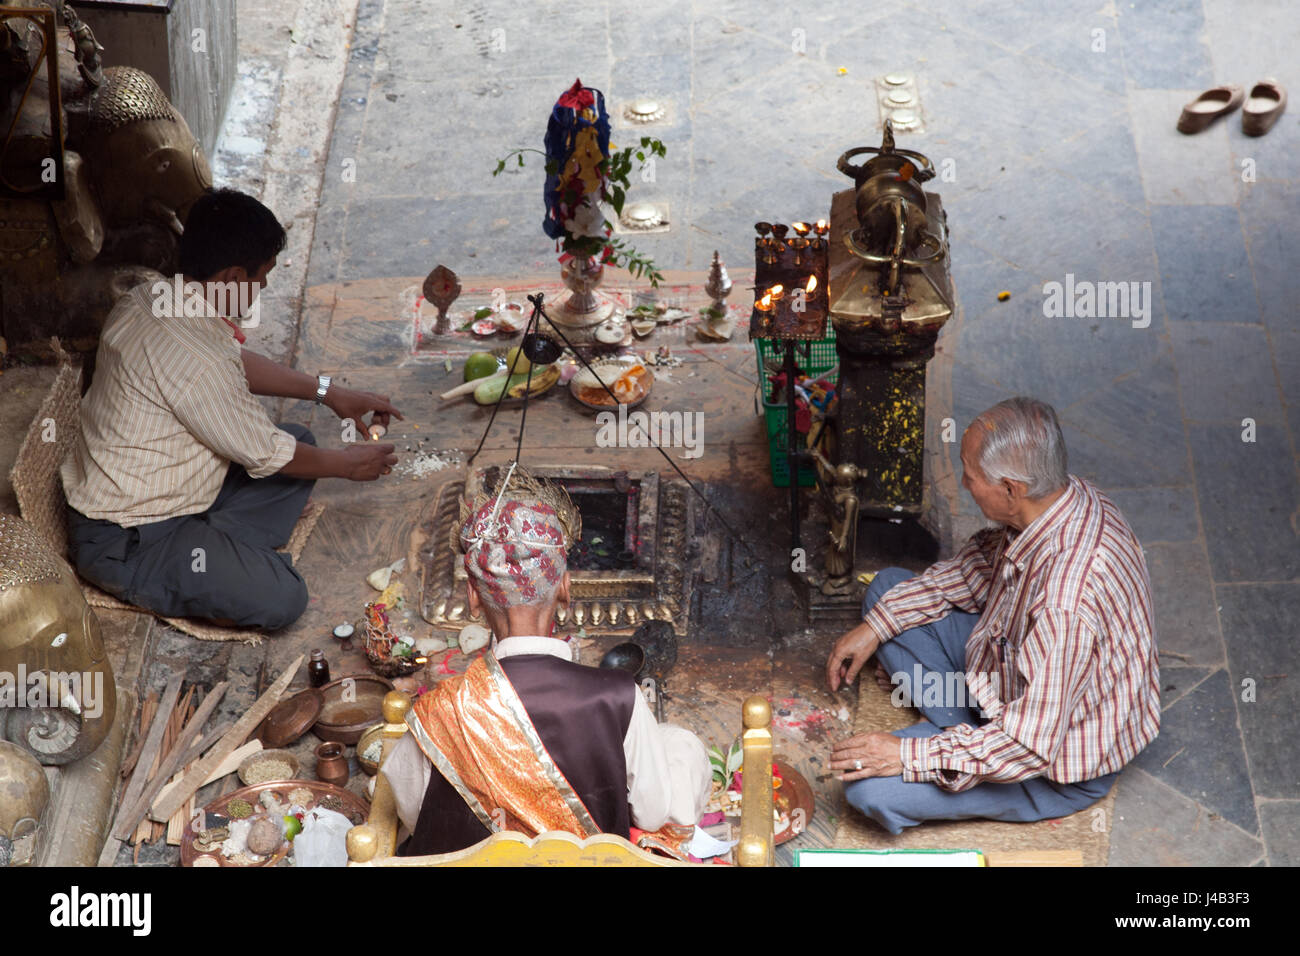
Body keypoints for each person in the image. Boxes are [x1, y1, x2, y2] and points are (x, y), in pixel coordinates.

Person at [61, 188, 403, 629]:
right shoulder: (200, 360)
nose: (260, 290)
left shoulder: (154, 296)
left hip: (165, 491)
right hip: (129, 537)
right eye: (261, 279)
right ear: (233, 276)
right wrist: (346, 466)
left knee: (300, 442)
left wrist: (328, 391)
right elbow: (263, 448)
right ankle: (210, 557)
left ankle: (217, 549)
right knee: (283, 596)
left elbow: (233, 363)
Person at [824, 397, 1160, 833]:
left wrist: (906, 756)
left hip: (1047, 762)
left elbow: (1030, 745)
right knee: (887, 592)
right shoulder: (1057, 498)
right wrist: (875, 628)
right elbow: (971, 574)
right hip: (1011, 682)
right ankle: (965, 736)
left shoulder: (1066, 604)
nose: (963, 482)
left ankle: (963, 744)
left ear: (1011, 489)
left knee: (868, 790)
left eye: (971, 474)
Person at [381, 467, 711, 855]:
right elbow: (654, 814)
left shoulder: (438, 712)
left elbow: (412, 813)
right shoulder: (619, 698)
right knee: (679, 744)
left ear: (473, 596)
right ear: (565, 588)